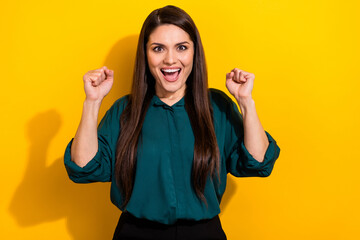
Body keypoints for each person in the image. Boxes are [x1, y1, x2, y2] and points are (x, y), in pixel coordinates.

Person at [64, 5, 280, 240]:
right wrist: (92, 102)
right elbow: (83, 168)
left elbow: (258, 163)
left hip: (204, 234)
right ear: (145, 55)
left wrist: (246, 102)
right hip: (136, 234)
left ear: (194, 52)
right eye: (158, 48)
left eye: (181, 47)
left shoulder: (217, 106)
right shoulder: (125, 111)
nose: (170, 59)